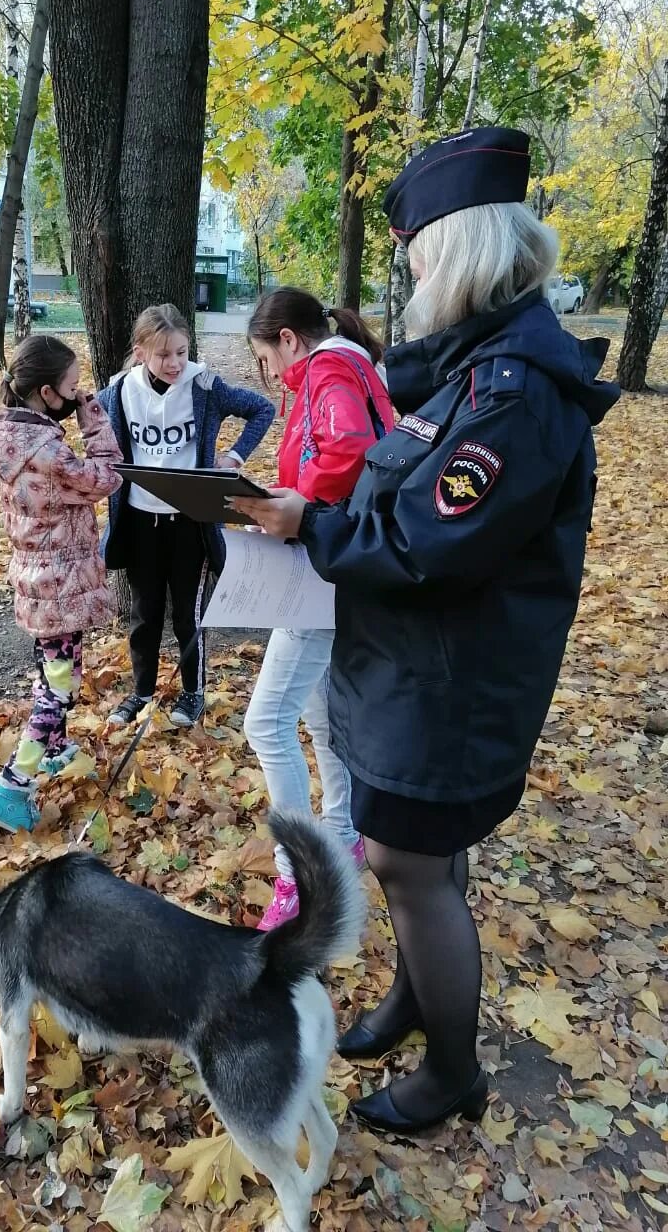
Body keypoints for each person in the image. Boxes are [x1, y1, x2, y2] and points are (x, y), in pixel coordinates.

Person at [233, 127, 619, 1133]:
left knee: (409, 861)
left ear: (458, 256)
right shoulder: (481, 361)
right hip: (422, 669)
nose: (410, 285)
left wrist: (305, 520)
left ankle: (453, 1068)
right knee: (422, 859)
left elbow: (422, 542)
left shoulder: (513, 392)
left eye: (418, 264)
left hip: (454, 683)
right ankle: (416, 997)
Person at [243, 288, 395, 930]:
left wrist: (294, 508)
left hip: (323, 561)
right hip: (335, 555)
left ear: (286, 339)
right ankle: (346, 833)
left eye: (266, 359)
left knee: (266, 721)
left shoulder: (330, 365)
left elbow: (350, 448)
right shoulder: (342, 362)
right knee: (316, 711)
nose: (270, 375)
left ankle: (299, 874)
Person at [98, 303, 274, 728]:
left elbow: (262, 410)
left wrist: (232, 458)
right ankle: (141, 693)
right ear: (140, 352)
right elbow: (99, 437)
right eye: (163, 354)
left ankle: (193, 692)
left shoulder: (205, 386)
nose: (175, 362)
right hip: (140, 520)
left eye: (181, 351)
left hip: (190, 522)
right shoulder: (118, 391)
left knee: (187, 615)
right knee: (145, 614)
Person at [0, 335, 122, 832]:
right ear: (45, 393)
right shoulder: (51, 454)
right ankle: (12, 787)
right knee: (56, 692)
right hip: (60, 586)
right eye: (72, 389)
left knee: (56, 674)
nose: (77, 396)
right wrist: (95, 422)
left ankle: (56, 748)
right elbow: (106, 477)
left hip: (38, 583)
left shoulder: (8, 437)